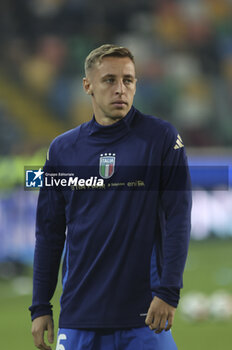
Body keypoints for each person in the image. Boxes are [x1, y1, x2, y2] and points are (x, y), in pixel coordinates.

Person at [29, 44, 192, 350]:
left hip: (146, 317)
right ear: (87, 86)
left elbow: (178, 219)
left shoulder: (162, 140)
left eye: (128, 80)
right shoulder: (62, 150)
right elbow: (49, 233)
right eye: (109, 80)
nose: (120, 89)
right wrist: (40, 306)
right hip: (79, 318)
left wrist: (169, 291)